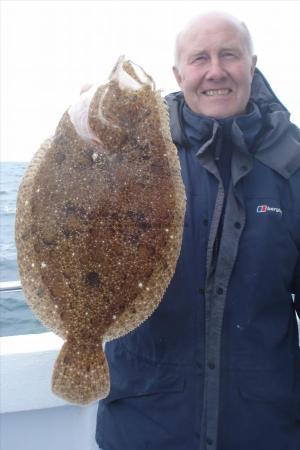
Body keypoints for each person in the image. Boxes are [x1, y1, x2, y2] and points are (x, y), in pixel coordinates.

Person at [95, 11, 300, 450]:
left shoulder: (292, 165)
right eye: (199, 58)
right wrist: (88, 142)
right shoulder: (128, 153)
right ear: (178, 73)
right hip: (144, 427)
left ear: (252, 63)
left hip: (263, 430)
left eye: (229, 55)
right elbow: (83, 234)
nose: (215, 71)